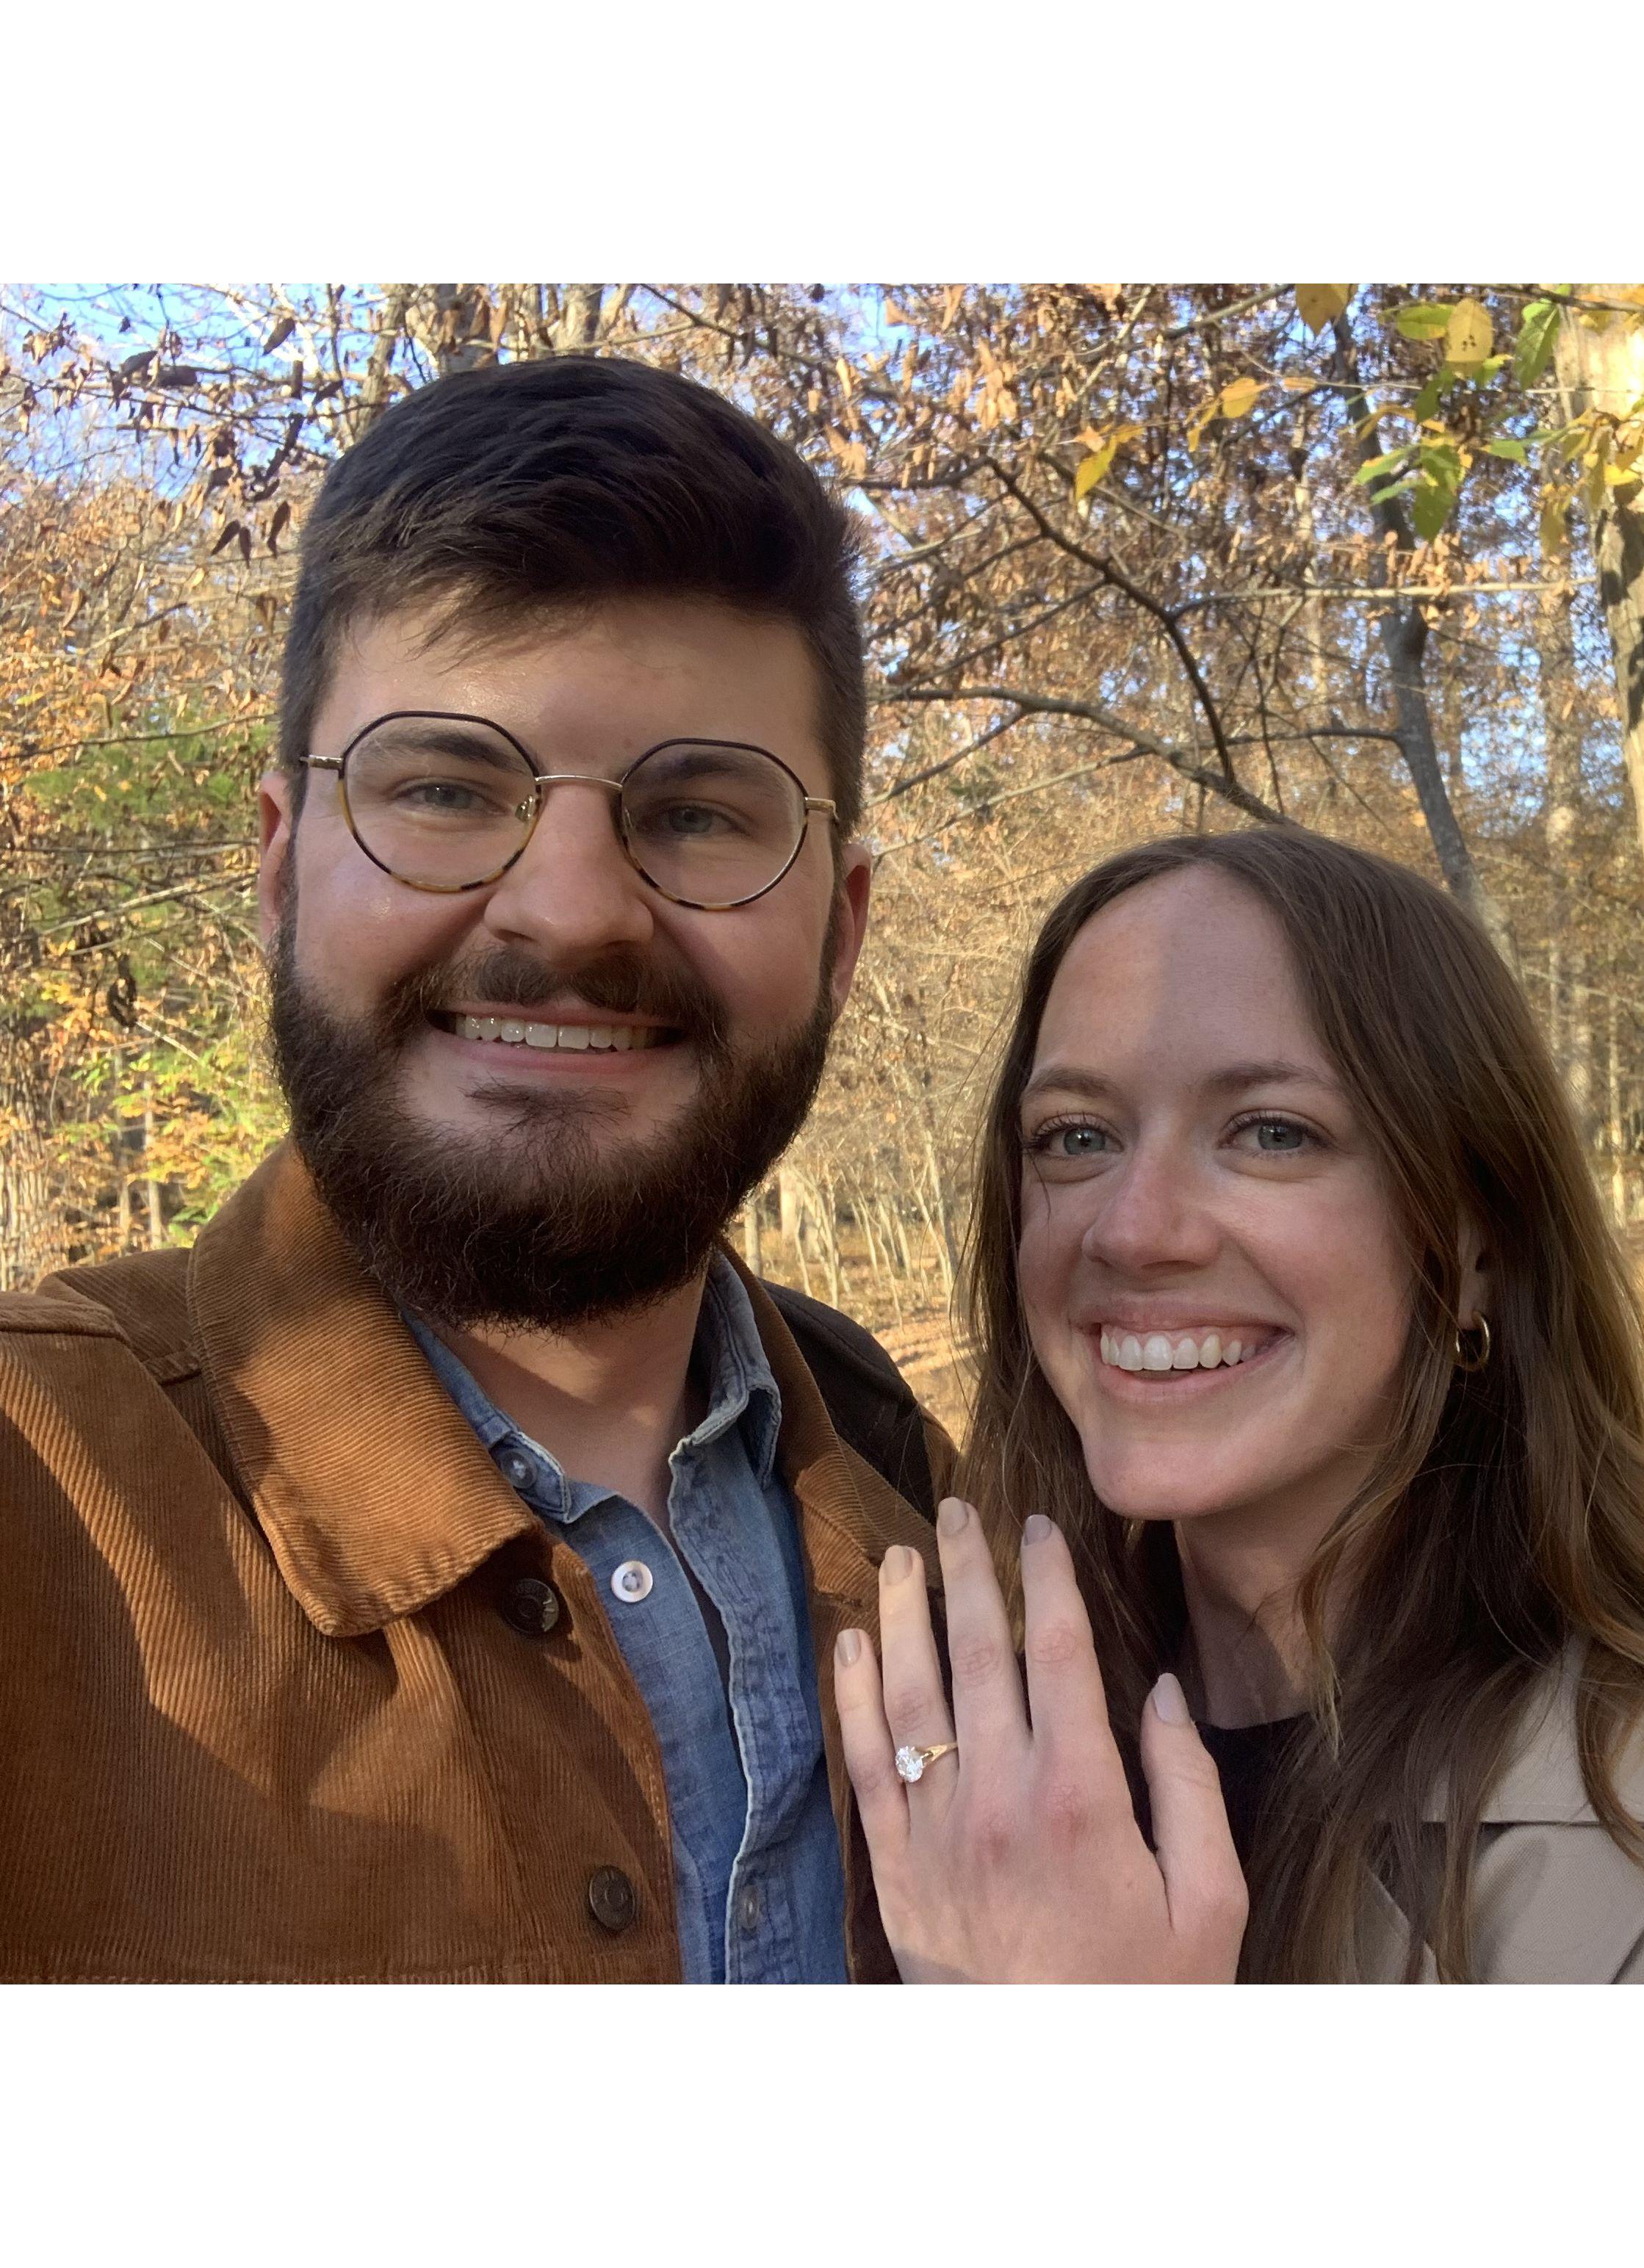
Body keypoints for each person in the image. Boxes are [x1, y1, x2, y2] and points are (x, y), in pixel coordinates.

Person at [0, 355, 951, 1983]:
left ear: (841, 930)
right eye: (444, 788)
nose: (571, 909)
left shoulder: (942, 1516)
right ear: (280, 870)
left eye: (703, 814)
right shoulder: (44, 1495)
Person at [835, 828, 1644, 1982]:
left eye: (1272, 1132)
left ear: (1477, 1245)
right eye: (1076, 1138)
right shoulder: (976, 1751)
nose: (1133, 1229)